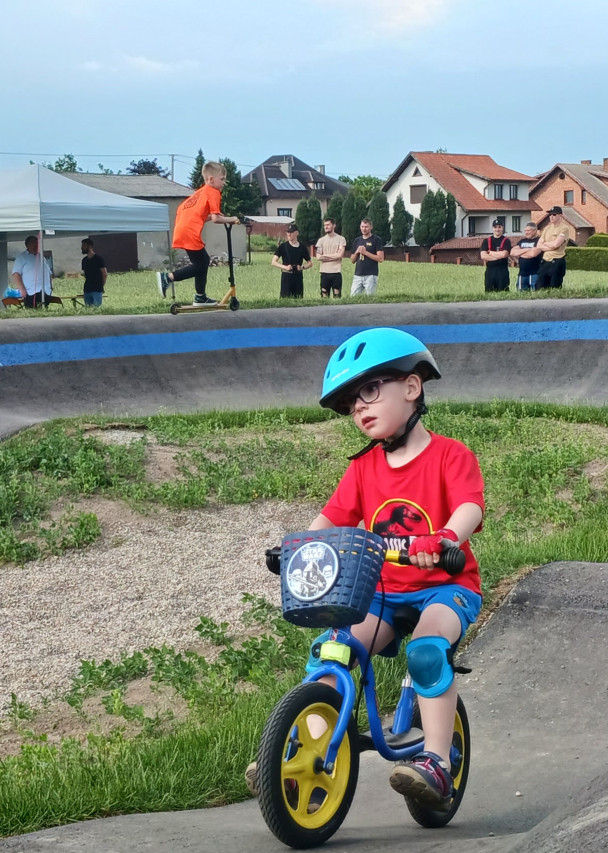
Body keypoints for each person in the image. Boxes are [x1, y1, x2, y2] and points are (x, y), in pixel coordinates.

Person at [246, 327, 485, 808]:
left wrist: (443, 539)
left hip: (446, 586)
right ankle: (297, 746)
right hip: (381, 592)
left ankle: (437, 761)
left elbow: (469, 508)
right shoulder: (363, 469)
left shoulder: (449, 455)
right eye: (353, 401)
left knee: (425, 652)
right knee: (332, 649)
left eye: (371, 390)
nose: (360, 406)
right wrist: (297, 547)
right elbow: (331, 519)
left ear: (412, 387)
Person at [156, 161, 240, 305]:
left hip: (182, 229)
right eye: (222, 179)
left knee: (202, 261)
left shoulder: (200, 193)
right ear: (211, 179)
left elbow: (201, 216)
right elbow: (216, 219)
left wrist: (220, 217)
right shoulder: (213, 192)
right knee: (201, 264)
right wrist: (232, 219)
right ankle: (168, 278)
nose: (224, 182)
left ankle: (200, 297)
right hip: (189, 232)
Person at [11, 235, 54, 308]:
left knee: (44, 312)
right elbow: (16, 274)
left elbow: (49, 272)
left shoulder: (42, 257)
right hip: (31, 292)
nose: (36, 246)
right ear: (27, 245)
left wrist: (50, 286)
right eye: (33, 244)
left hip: (45, 291)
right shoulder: (22, 257)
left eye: (37, 244)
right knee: (32, 312)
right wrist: (21, 289)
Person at [536, 206, 573, 289]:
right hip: (545, 260)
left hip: (557, 260)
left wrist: (545, 244)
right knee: (540, 286)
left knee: (554, 286)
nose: (551, 216)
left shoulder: (564, 228)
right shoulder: (547, 228)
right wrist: (550, 246)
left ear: (561, 216)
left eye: (554, 214)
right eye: (550, 214)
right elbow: (539, 245)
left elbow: (556, 244)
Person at [272, 224, 312, 298]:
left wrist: (302, 267)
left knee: (298, 298)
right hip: (286, 276)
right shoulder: (283, 247)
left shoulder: (302, 247)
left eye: (291, 232)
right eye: (288, 232)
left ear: (296, 233)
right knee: (285, 298)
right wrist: (285, 267)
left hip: (298, 276)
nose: (289, 234)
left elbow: (310, 263)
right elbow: (274, 262)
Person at [349, 219, 384, 296]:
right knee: (353, 296)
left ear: (371, 227)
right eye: (362, 227)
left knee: (370, 297)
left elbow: (380, 258)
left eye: (366, 227)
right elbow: (352, 260)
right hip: (358, 274)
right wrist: (357, 252)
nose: (364, 229)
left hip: (370, 275)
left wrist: (366, 253)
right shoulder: (357, 240)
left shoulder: (376, 240)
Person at [315, 217, 347, 298]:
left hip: (336, 272)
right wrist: (334, 256)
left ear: (334, 226)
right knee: (324, 295)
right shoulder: (321, 240)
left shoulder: (341, 239)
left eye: (328, 225)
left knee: (337, 295)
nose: (326, 227)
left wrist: (325, 256)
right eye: (325, 225)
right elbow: (318, 257)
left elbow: (340, 255)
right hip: (324, 272)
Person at [480, 219, 512, 292]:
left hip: (502, 270)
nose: (497, 229)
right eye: (495, 227)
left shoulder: (506, 240)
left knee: (503, 291)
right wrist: (498, 257)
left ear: (502, 228)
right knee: (489, 292)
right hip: (490, 270)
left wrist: (490, 252)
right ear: (492, 228)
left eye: (499, 227)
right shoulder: (486, 241)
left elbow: (504, 254)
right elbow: (483, 256)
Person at [510, 222, 543, 291]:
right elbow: (512, 252)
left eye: (528, 231)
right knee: (521, 294)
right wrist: (528, 249)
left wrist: (520, 253)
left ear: (534, 231)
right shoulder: (522, 241)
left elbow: (533, 254)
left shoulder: (539, 241)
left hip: (535, 273)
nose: (526, 232)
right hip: (522, 273)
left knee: (535, 293)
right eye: (525, 231)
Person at [80, 238, 107, 307]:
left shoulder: (98, 259)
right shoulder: (84, 260)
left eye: (84, 245)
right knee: (88, 308)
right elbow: (85, 275)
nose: (82, 248)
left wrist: (101, 286)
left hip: (97, 289)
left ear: (90, 247)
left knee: (96, 308)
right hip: (87, 289)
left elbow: (104, 274)